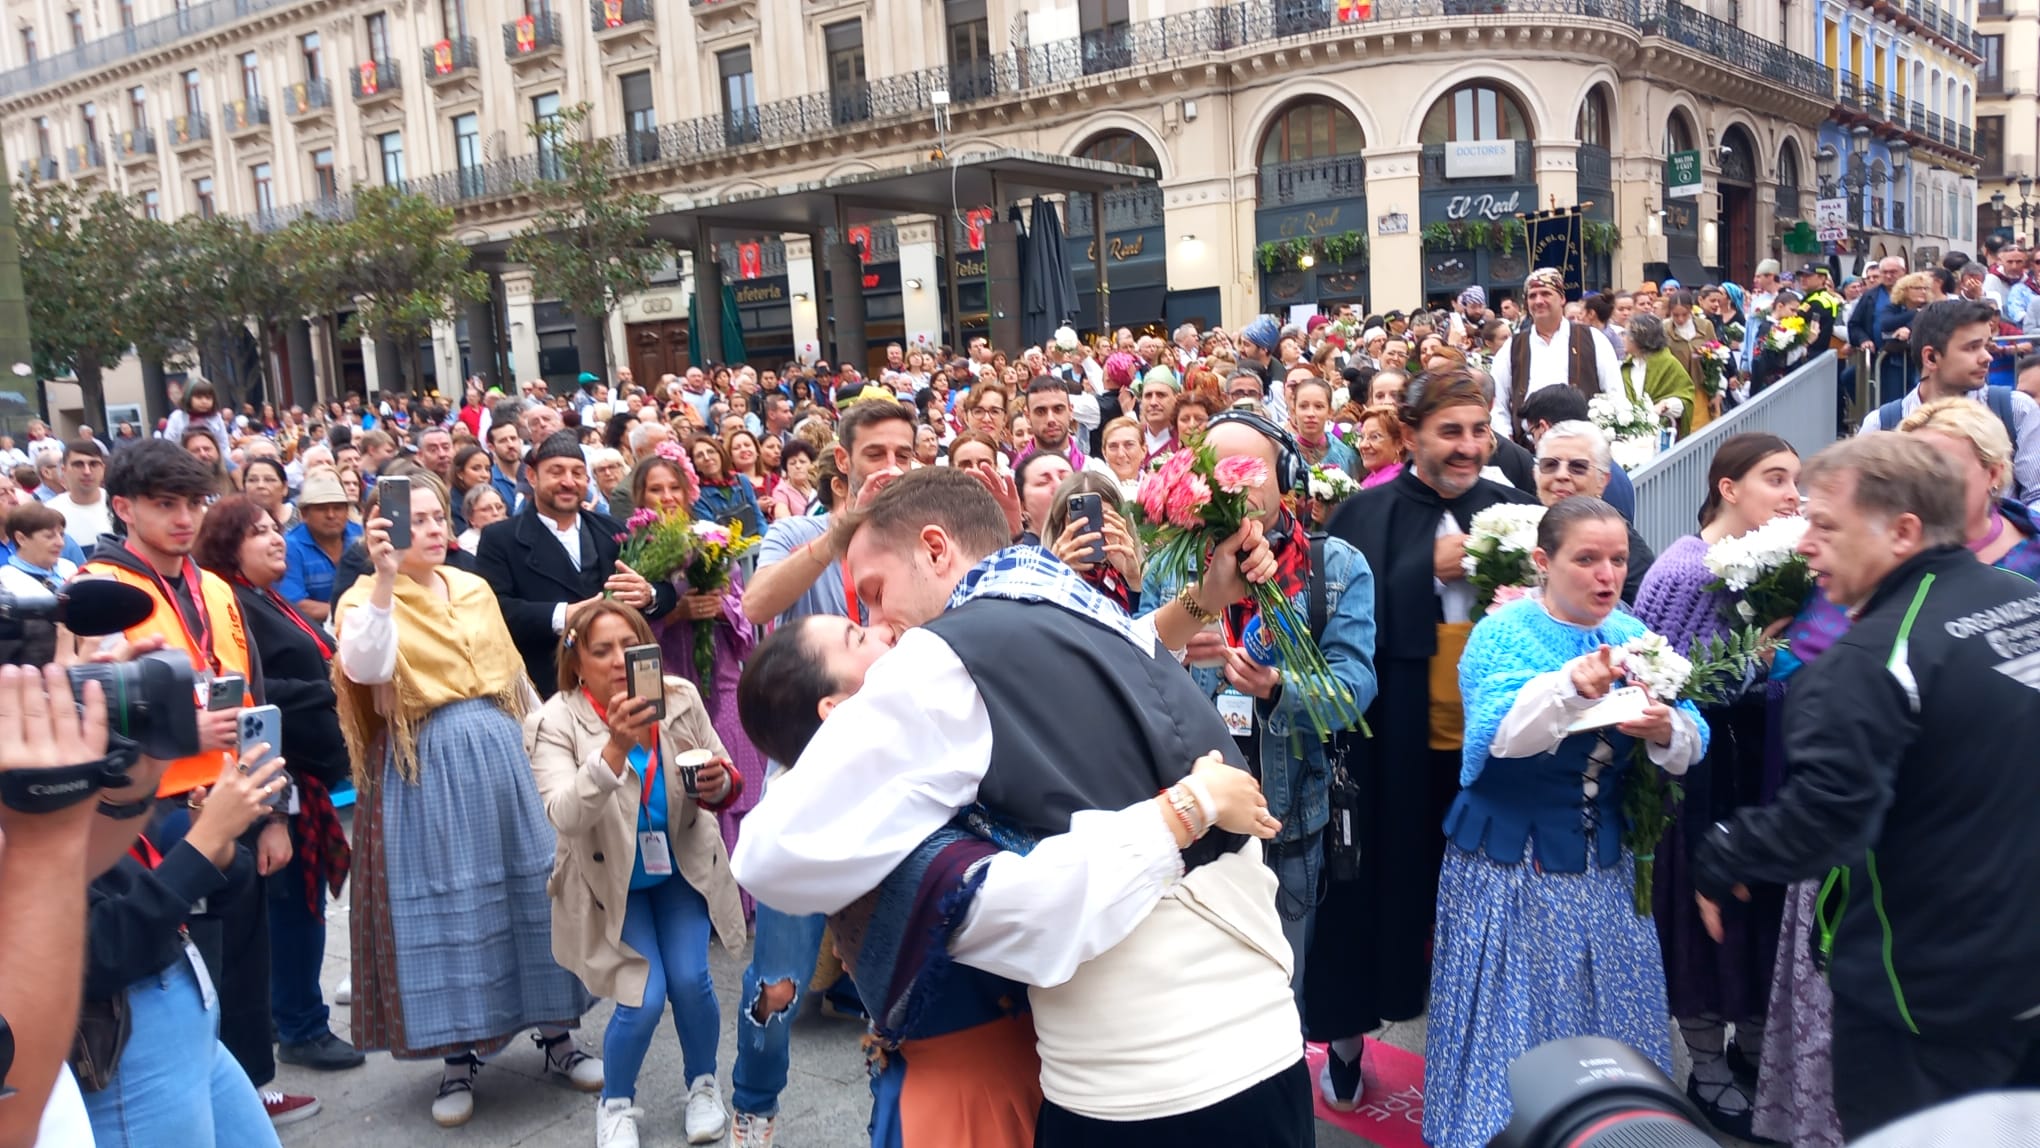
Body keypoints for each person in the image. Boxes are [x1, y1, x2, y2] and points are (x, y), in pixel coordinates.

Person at [734, 467, 1313, 1146]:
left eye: (875, 594)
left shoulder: (939, 658)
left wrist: (1178, 814)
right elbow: (1140, 642)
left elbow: (768, 854)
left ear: (935, 549)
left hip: (1145, 1082)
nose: (881, 624)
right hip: (1265, 1043)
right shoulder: (1071, 604)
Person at [1692, 433, 2040, 1139]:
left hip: (1928, 996)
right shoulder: (2022, 601)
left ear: (1903, 530)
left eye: (1826, 526)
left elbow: (1825, 823)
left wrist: (1726, 849)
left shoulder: (1868, 659)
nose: (1807, 546)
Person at [1423, 495, 1707, 1147]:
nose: (1606, 575)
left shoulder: (1631, 633)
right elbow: (1499, 737)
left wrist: (1668, 728)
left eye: (1615, 560)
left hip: (1604, 864)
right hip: (1513, 862)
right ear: (1543, 562)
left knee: (1609, 1010)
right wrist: (1569, 686)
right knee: (1516, 1012)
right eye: (1587, 559)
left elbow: (1693, 735)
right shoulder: (1504, 634)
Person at [332, 469, 603, 1127]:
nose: (424, 528)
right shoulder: (365, 599)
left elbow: (515, 679)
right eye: (408, 519)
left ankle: (557, 1036)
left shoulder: (475, 585)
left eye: (432, 517)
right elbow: (366, 668)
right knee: (447, 902)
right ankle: (457, 1054)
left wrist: (551, 748)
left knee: (535, 891)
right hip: (425, 764)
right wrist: (387, 579)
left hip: (504, 752)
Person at [1318, 369, 1539, 1103]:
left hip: (1488, 730)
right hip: (1396, 733)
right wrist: (1425, 570)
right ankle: (1348, 1042)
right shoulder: (1364, 511)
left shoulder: (1512, 505)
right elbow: (1342, 621)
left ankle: (1484, 1052)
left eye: (1480, 430)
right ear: (1410, 436)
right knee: (1378, 880)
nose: (1469, 447)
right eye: (1451, 431)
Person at [726, 399, 924, 1146]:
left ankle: (891, 1116)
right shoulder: (801, 532)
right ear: (844, 461)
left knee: (898, 984)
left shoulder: (920, 548)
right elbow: (753, 601)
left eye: (905, 453)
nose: (891, 468)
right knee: (777, 977)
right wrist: (841, 536)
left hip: (900, 797)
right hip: (809, 792)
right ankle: (755, 1104)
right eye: (876, 454)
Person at [1137, 406, 1379, 1006]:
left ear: (1287, 477)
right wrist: (1176, 644)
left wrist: (1279, 689)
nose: (1234, 487)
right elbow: (1130, 676)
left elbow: (1353, 690)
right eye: (1218, 474)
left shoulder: (1336, 568)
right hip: (1192, 827)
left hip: (1289, 820)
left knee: (1278, 997)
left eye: (1249, 472)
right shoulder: (1171, 574)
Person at [1626, 431, 1802, 1135]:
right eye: (1776, 479)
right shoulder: (1683, 568)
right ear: (1728, 487)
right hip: (1697, 780)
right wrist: (1758, 664)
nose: (1793, 494)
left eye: (1796, 480)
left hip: (1758, 769)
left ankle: (1755, 1055)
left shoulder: (1778, 564)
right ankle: (1706, 1069)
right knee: (1707, 924)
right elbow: (1669, 685)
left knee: (1757, 915)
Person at [528, 602, 748, 1148]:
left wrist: (720, 785)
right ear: (576, 662)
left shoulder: (678, 697)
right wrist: (616, 748)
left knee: (693, 980)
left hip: (678, 868)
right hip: (611, 886)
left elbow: (724, 774)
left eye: (629, 644)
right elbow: (563, 813)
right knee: (643, 996)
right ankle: (617, 1103)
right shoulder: (552, 721)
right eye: (601, 650)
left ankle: (703, 1085)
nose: (618, 659)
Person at [190, 495, 364, 1077]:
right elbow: (253, 695)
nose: (275, 539)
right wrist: (328, 689)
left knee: (295, 905)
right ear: (227, 545)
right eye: (258, 532)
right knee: (293, 911)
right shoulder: (232, 605)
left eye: (275, 529)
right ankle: (302, 1026)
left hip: (307, 769)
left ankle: (284, 1014)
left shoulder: (267, 599)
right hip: (279, 778)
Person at [82, 741, 296, 1146]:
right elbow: (98, 951)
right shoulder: (30, 816)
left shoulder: (93, 801)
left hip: (195, 1038)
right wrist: (206, 839)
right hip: (131, 1063)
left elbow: (214, 896)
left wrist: (217, 846)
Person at [632, 454, 769, 872]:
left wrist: (717, 608)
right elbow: (625, 628)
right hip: (667, 678)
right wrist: (675, 614)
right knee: (679, 784)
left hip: (720, 676)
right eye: (656, 490)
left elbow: (745, 610)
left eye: (674, 488)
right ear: (640, 497)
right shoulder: (634, 548)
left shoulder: (709, 538)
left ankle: (743, 887)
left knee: (731, 767)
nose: (667, 498)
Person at [475, 430, 673, 697]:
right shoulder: (500, 538)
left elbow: (666, 591)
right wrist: (563, 615)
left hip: (625, 681)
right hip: (550, 683)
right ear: (532, 477)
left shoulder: (613, 530)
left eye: (577, 473)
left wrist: (648, 594)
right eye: (556, 472)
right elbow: (495, 610)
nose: (568, 482)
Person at [1863, 299, 2040, 503]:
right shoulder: (1881, 425)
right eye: (1972, 348)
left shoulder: (2017, 409)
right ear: (1930, 358)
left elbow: (2037, 496)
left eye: (1987, 345)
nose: (1987, 357)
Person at [1900, 396, 2040, 574]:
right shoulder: (1879, 556)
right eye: (1911, 470)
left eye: (1943, 470)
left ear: (1993, 474)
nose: (1923, 483)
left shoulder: (2033, 553)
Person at [1531, 422, 1655, 603]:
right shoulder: (1517, 523)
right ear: (1535, 474)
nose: (1562, 475)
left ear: (1602, 481)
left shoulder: (1628, 548)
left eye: (1578, 467)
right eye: (1550, 465)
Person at [1491, 268, 1621, 440]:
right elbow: (1498, 404)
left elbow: (1615, 395)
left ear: (1562, 298)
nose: (1538, 301)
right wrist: (1508, 444)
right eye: (1532, 295)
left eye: (1545, 293)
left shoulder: (1593, 339)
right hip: (1529, 450)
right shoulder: (1512, 347)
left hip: (1583, 447)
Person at [279, 468, 360, 625]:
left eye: (337, 508)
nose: (331, 515)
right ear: (304, 513)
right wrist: (352, 612)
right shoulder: (290, 547)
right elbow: (296, 605)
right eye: (322, 508)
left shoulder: (360, 536)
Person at [0, 502, 75, 665]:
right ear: (21, 538)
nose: (60, 543)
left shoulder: (68, 567)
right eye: (49, 536)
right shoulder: (6, 582)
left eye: (61, 535)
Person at [1622, 313, 1698, 440]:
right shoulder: (1626, 366)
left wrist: (1665, 405)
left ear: (1638, 338)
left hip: (1658, 436)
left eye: (1625, 334)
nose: (1623, 338)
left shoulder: (1668, 363)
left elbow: (1685, 399)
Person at [689, 436, 765, 539]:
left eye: (711, 451)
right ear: (694, 464)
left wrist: (766, 542)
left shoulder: (741, 481)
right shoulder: (698, 496)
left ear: (720, 454)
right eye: (699, 455)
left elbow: (758, 518)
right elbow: (712, 534)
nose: (707, 458)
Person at [44, 439, 112, 547]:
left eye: (93, 464)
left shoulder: (120, 507)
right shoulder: (49, 512)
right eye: (78, 464)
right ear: (64, 470)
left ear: (103, 469)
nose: (87, 472)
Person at [1288, 376, 1360, 473]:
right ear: (1294, 411)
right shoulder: (1284, 452)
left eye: (1318, 407)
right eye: (1303, 406)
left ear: (1330, 412)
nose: (1310, 414)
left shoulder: (1345, 455)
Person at [164, 379, 232, 462]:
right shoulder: (177, 417)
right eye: (199, 397)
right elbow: (169, 442)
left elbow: (223, 443)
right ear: (188, 398)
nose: (204, 401)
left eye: (208, 398)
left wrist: (224, 461)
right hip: (184, 461)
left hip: (212, 461)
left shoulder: (215, 418)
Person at [1085, 416, 1145, 501]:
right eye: (1113, 446)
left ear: (1144, 450)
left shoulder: (1158, 488)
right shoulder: (1091, 490)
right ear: (1104, 452)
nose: (1121, 454)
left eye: (1129, 445)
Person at [1352, 405, 1404, 489]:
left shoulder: (1393, 484)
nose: (1363, 445)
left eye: (1374, 437)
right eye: (1362, 437)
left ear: (1399, 443)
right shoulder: (1373, 478)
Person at [239, 456, 295, 531]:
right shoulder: (235, 522)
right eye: (252, 480)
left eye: (269, 480)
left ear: (284, 487)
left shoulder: (303, 519)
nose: (260, 485)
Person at [769, 440, 817, 520]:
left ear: (811, 464)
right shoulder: (781, 491)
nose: (798, 466)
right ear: (786, 468)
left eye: (802, 462)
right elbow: (783, 520)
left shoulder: (817, 485)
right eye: (792, 463)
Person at [457, 484, 507, 553]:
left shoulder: (512, 536)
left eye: (499, 507)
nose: (495, 513)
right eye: (486, 509)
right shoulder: (467, 546)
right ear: (471, 517)